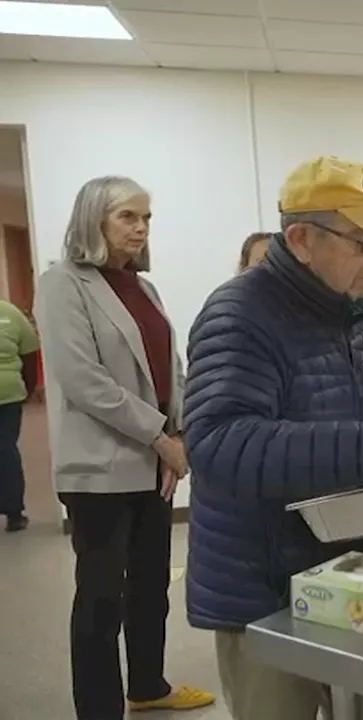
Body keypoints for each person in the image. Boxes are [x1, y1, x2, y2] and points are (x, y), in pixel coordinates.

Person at [182, 156, 363, 720]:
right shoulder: (239, 315)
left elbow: (337, 420)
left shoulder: (349, 311)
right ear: (301, 238)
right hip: (266, 590)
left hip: (344, 573)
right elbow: (220, 442)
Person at [35, 176, 214, 718]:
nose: (140, 228)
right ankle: (98, 707)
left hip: (154, 464)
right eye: (127, 217)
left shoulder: (144, 287)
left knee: (150, 587)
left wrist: (177, 433)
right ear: (94, 220)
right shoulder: (63, 284)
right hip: (100, 468)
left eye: (146, 218)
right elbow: (84, 380)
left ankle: (147, 685)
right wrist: (161, 438)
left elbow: (171, 367)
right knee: (101, 595)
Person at [0, 299, 39, 532]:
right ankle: (14, 513)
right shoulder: (11, 313)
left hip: (10, 393)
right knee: (6, 449)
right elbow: (30, 354)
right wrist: (29, 388)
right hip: (10, 393)